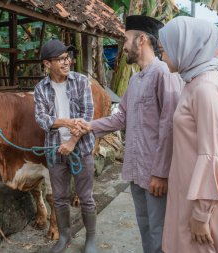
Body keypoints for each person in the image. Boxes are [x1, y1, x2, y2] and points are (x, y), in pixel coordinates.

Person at [78, 15, 183, 253]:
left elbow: (170, 126)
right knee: (146, 230)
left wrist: (161, 173)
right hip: (135, 171)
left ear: (142, 40)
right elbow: (121, 118)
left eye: (126, 39)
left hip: (156, 174)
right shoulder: (135, 80)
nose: (123, 45)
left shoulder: (164, 74)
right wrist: (88, 126)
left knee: (160, 234)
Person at [158, 16, 218, 253]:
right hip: (192, 192)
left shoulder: (206, 88)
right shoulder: (194, 82)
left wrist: (201, 214)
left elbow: (215, 155)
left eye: (164, 49)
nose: (163, 56)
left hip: (203, 203)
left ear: (185, 46)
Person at [34, 39, 97, 253]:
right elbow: (42, 119)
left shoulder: (81, 81)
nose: (66, 62)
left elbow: (87, 115)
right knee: (59, 198)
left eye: (67, 57)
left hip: (81, 148)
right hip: (54, 150)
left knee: (86, 197)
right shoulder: (41, 88)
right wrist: (66, 122)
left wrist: (71, 141)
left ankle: (90, 239)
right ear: (47, 64)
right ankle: (64, 237)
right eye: (60, 59)